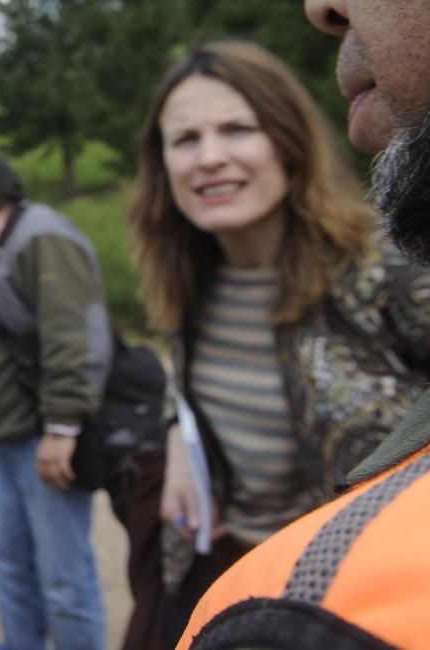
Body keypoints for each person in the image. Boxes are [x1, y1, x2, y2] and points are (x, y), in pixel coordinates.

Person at [127, 40, 430, 647]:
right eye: (185, 140)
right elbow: (190, 391)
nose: (210, 157)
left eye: (238, 129)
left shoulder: (390, 269)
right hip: (231, 585)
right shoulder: (190, 282)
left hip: (349, 607)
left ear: (289, 146)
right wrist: (172, 428)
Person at [0, 149, 110, 649]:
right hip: (11, 439)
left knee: (63, 576)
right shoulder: (6, 243)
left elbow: (72, 337)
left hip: (43, 440)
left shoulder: (43, 237)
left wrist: (62, 429)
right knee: (9, 563)